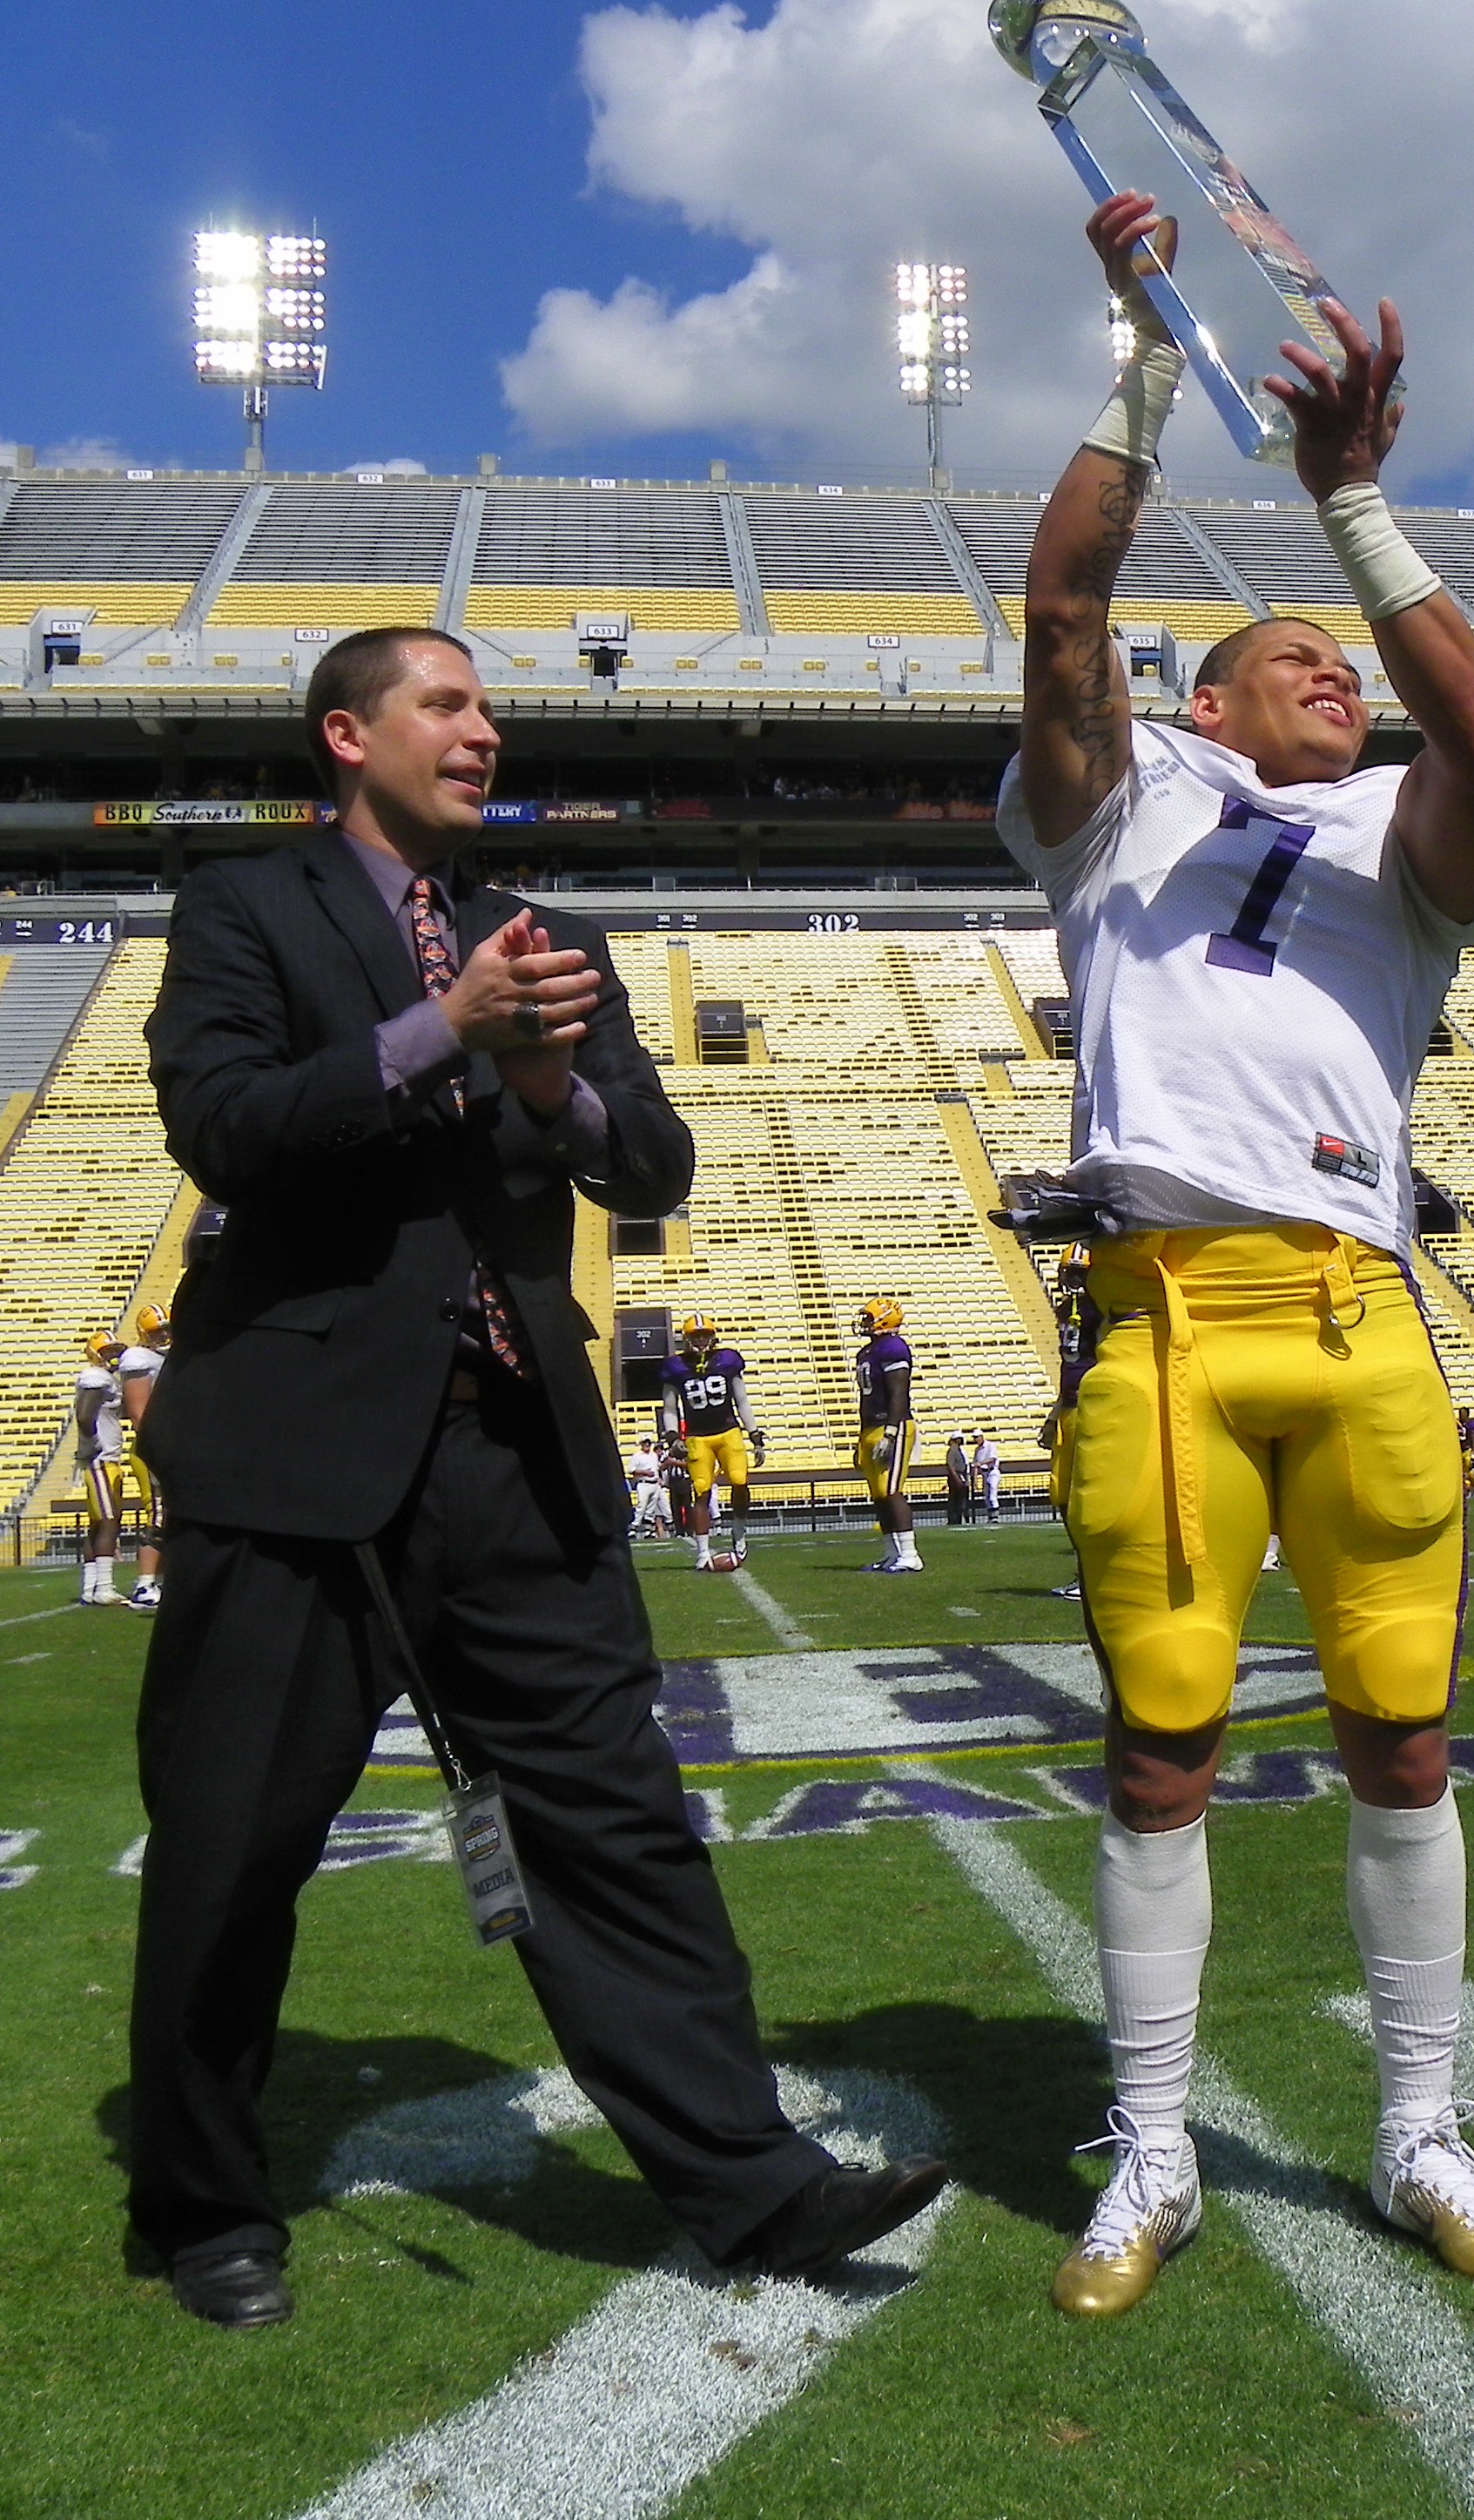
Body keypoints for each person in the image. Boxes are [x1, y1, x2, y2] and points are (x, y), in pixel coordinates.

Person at [129, 625, 944, 2331]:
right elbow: (223, 1127)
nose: (485, 731)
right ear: (347, 735)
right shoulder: (245, 908)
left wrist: (551, 1078)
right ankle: (202, 2202)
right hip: (292, 1451)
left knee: (613, 1824)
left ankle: (752, 2182)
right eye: (448, 702)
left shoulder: (555, 943)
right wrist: (442, 1028)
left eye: (492, 706)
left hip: (513, 1447)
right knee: (236, 1839)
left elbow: (655, 1161)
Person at [1001, 189, 1474, 2318]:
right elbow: (1062, 606)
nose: (1333, 673)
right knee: (1159, 1744)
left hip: (1357, 1313)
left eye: (1344, 662)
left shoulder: (1399, 839)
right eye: (1291, 659)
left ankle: (1417, 2118)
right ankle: (1150, 2143)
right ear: (1207, 711)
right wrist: (1144, 357)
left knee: (1404, 1732)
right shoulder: (1120, 806)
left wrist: (1354, 516)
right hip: (1161, 1317)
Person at [661, 1315, 764, 1570]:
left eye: (704, 1335)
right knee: (702, 1490)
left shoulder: (727, 1360)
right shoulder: (676, 1367)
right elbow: (670, 1408)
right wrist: (673, 1437)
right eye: (695, 1336)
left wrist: (755, 1435)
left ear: (712, 1336)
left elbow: (742, 1400)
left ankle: (738, 1534)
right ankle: (702, 1551)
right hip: (698, 1437)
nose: (701, 1340)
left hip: (728, 1431)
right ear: (686, 1339)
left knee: (739, 1481)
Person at [854, 1297, 921, 1573]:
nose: (864, 1323)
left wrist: (891, 1433)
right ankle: (892, 1553)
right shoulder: (868, 1352)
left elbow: (898, 1394)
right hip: (871, 1426)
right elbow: (865, 1399)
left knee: (890, 1490)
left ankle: (910, 1554)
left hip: (893, 1424)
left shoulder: (894, 1347)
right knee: (878, 1494)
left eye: (869, 1318)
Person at [1044, 1243, 1096, 1599]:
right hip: (1070, 1406)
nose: (1070, 1278)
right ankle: (1085, 1573)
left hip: (1094, 1405)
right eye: (1069, 1271)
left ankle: (1095, 1575)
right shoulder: (1068, 1310)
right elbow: (1068, 1367)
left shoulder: (1102, 1309)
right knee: (1061, 1493)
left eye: (1079, 1272)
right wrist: (1054, 1412)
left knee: (1087, 1494)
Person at [119, 1302, 171, 1610]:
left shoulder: (167, 1356)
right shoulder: (138, 1359)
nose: (163, 1335)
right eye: (157, 1330)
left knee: (175, 1514)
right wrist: (161, 1447)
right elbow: (140, 1414)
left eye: (166, 1329)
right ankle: (144, 1585)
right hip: (155, 1446)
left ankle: (163, 1581)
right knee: (160, 1514)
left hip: (174, 1443)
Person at [74, 1330, 126, 1606]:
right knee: (108, 1521)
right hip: (101, 1459)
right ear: (95, 1353)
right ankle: (104, 1588)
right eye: (107, 1351)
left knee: (97, 1524)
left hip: (104, 1458)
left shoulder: (106, 1379)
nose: (112, 1356)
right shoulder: (96, 1378)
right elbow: (85, 1416)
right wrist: (94, 1444)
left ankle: (90, 1588)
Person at [625, 1435, 671, 1538]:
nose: (647, 1444)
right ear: (641, 1443)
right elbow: (631, 1470)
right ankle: (634, 1528)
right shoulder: (637, 1456)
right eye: (645, 1442)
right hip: (644, 1483)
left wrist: (658, 1477)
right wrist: (644, 1472)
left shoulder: (654, 1455)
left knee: (651, 1509)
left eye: (649, 1442)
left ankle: (648, 1530)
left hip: (654, 1484)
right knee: (641, 1507)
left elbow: (657, 1468)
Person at [973, 1431, 1002, 1520]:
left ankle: (995, 1516)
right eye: (975, 1437)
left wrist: (980, 1463)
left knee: (992, 1493)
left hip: (992, 1472)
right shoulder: (977, 1450)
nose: (976, 1439)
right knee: (986, 1495)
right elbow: (975, 1465)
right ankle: (990, 1515)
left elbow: (992, 1458)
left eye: (977, 1437)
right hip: (984, 1473)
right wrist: (975, 1479)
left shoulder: (990, 1445)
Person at [945, 1432, 972, 1527]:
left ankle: (957, 1518)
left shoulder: (957, 1450)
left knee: (959, 1499)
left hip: (959, 1475)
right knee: (955, 1499)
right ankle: (954, 1519)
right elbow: (950, 1465)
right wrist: (956, 1478)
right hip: (957, 1476)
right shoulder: (953, 1450)